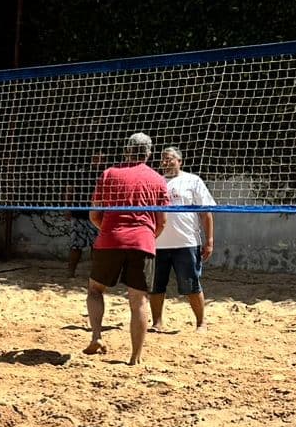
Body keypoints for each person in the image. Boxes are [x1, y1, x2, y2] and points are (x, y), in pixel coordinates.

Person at [85, 133, 170, 365]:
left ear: (127, 150)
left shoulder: (109, 173)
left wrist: (110, 230)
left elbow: (94, 214)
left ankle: (97, 336)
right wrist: (146, 237)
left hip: (110, 239)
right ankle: (135, 357)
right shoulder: (158, 180)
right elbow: (162, 222)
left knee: (95, 290)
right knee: (139, 301)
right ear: (149, 153)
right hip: (142, 242)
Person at [149, 146, 216, 332]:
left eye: (170, 158)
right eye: (163, 159)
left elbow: (206, 213)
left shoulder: (193, 181)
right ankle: (157, 322)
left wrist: (209, 241)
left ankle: (201, 323)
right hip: (158, 243)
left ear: (180, 161)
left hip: (187, 242)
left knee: (191, 285)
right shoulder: (155, 181)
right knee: (156, 286)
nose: (165, 162)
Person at [65, 152, 105, 276]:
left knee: (96, 247)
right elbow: (70, 189)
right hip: (79, 214)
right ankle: (70, 272)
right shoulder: (80, 172)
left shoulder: (105, 174)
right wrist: (67, 207)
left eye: (100, 158)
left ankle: (95, 274)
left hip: (97, 216)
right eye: (95, 157)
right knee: (75, 245)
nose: (97, 160)